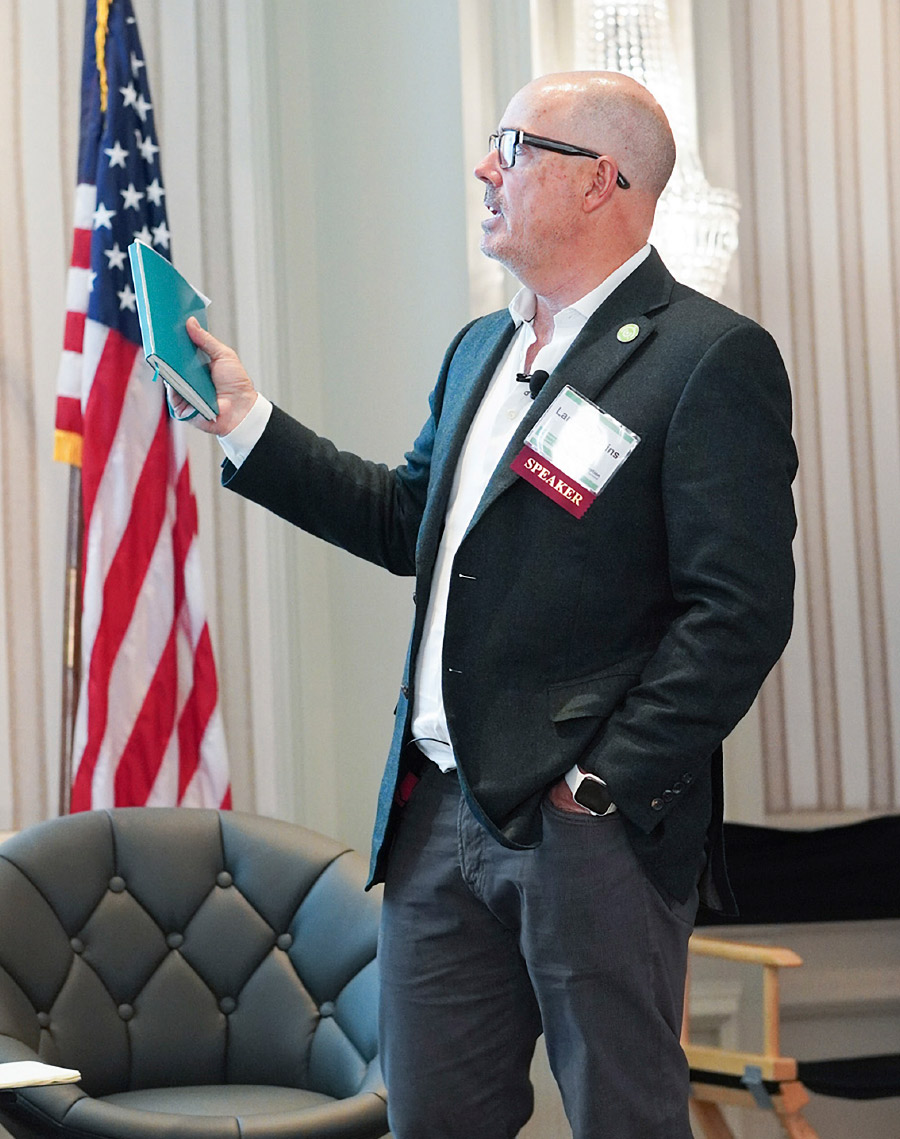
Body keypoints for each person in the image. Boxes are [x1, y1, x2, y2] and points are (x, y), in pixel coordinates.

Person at [176, 71, 797, 1139]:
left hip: (584, 831)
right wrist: (246, 420)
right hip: (434, 816)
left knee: (625, 1119)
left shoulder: (706, 357)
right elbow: (403, 518)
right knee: (433, 1119)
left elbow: (736, 610)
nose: (483, 167)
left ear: (603, 181)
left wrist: (601, 784)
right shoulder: (483, 346)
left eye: (512, 146)